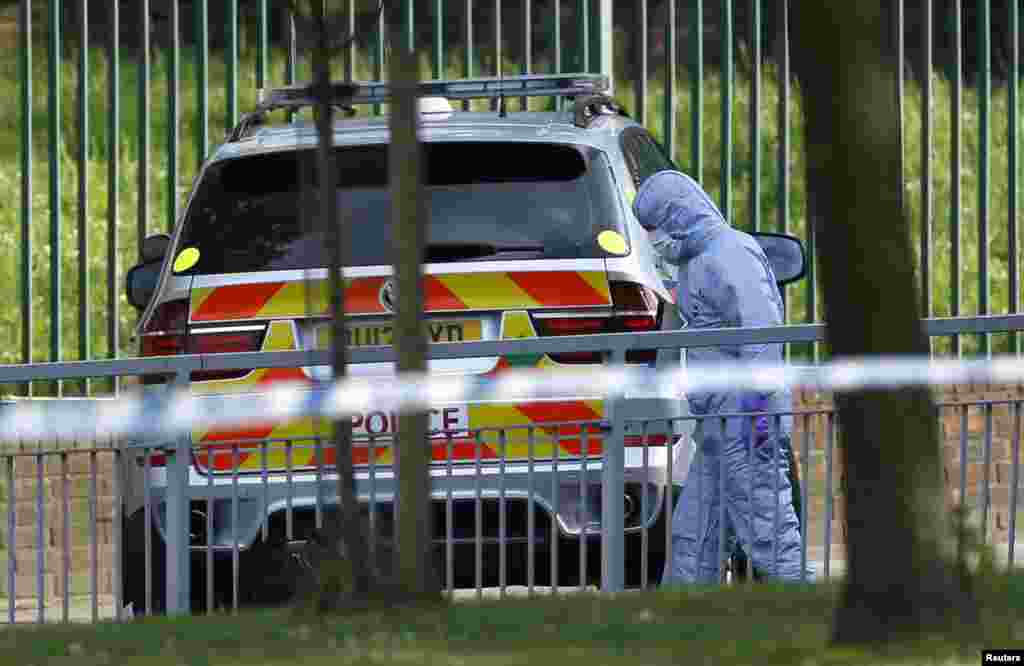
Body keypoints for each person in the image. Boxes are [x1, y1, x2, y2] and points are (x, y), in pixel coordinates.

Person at [632, 169, 805, 583]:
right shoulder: (696, 263)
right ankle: (686, 623)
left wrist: (759, 415)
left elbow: (761, 338)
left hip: (746, 423)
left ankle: (811, 610)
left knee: (770, 535)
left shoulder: (731, 253)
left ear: (678, 215)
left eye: (655, 227)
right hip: (719, 427)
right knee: (695, 536)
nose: (654, 238)